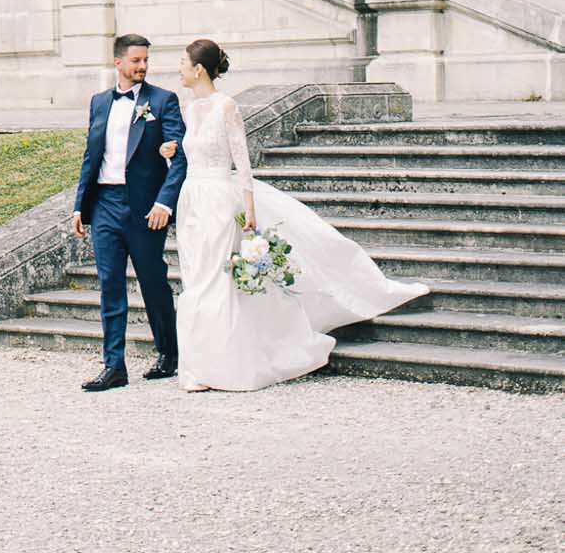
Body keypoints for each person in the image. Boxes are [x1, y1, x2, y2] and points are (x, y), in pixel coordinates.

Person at [172, 37, 428, 392]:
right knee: (197, 279)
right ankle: (199, 364)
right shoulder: (189, 107)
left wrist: (249, 211)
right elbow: (193, 153)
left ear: (199, 69)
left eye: (183, 63)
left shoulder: (226, 106)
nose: (178, 69)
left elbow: (242, 162)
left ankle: (227, 365)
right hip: (192, 199)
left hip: (218, 198)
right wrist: (169, 150)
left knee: (218, 280)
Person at [71, 33, 187, 391]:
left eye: (145, 61)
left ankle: (169, 354)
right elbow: (92, 156)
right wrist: (79, 205)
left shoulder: (163, 100)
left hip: (144, 208)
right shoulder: (99, 101)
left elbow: (180, 154)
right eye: (136, 61)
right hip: (105, 204)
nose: (142, 67)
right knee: (110, 284)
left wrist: (164, 202)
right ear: (118, 62)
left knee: (153, 282)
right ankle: (114, 366)